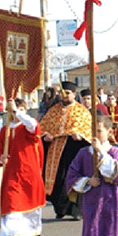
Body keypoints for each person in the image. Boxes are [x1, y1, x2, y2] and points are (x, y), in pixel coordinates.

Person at [65, 115, 118, 236]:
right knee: (92, 235)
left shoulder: (115, 152)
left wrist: (100, 152)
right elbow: (71, 175)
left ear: (109, 132)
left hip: (113, 199)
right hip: (91, 200)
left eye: (99, 131)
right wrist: (87, 181)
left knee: (112, 234)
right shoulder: (83, 153)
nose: (95, 135)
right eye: (92, 131)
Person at [0, 98, 45, 236]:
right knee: (11, 202)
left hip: (29, 172)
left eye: (22, 110)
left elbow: (34, 126)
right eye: (14, 111)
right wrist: (1, 157)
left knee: (32, 204)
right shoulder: (5, 130)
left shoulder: (28, 126)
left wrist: (17, 111)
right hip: (12, 172)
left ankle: (33, 231)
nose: (17, 113)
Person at [40, 81, 92, 220]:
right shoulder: (53, 110)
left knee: (74, 177)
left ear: (74, 94)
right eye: (62, 93)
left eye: (67, 93)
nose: (64, 96)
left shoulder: (81, 111)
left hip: (74, 149)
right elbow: (43, 126)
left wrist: (80, 135)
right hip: (56, 151)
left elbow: (87, 130)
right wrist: (45, 135)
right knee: (58, 179)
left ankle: (76, 210)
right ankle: (60, 209)